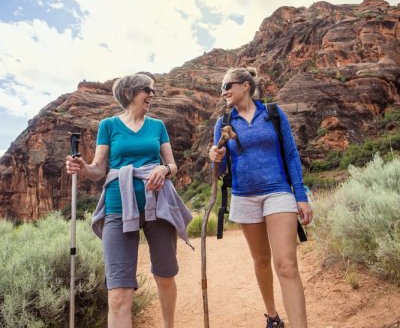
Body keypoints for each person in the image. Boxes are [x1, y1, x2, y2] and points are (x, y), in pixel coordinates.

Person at [66, 73, 192, 328]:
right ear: (129, 93)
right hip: (117, 207)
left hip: (158, 206)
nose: (152, 95)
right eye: (148, 90)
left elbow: (172, 164)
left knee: (165, 276)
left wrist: (164, 170)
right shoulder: (109, 125)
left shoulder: (157, 125)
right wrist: (83, 167)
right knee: (118, 291)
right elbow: (98, 170)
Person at [209, 67, 313, 328]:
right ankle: (273, 317)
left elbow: (291, 154)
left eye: (227, 86)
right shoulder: (223, 123)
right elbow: (220, 171)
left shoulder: (273, 113)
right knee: (261, 260)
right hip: (244, 196)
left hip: (278, 191)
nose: (223, 92)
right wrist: (216, 159)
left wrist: (300, 195)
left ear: (245, 86)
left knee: (286, 264)